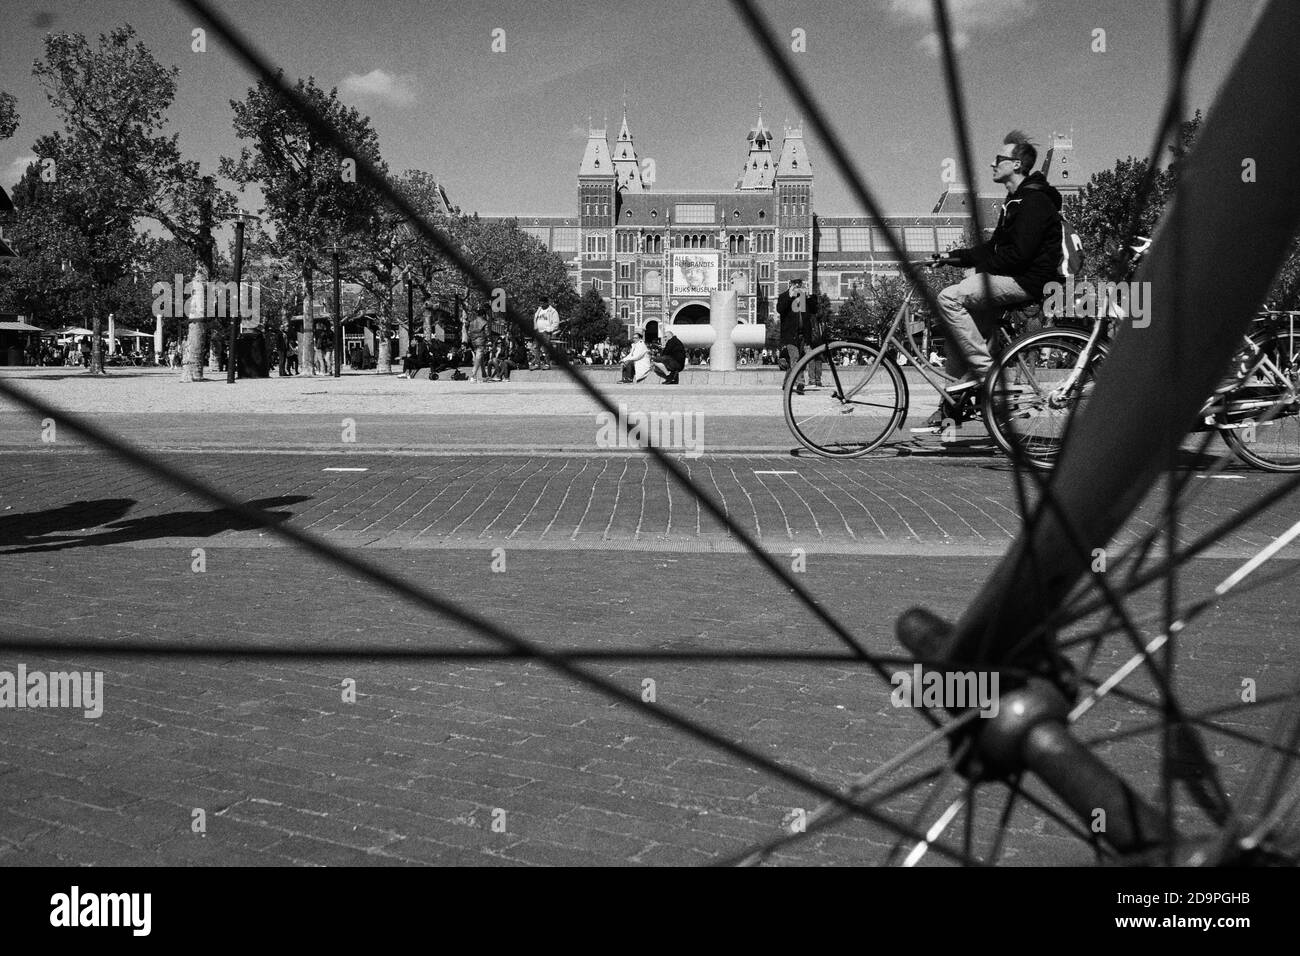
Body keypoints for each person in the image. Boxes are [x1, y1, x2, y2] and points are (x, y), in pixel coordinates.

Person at [914, 130, 1065, 434]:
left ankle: (988, 375)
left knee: (949, 298)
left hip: (1027, 280)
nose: (992, 164)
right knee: (960, 341)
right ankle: (950, 409)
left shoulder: (1034, 202)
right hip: (1011, 275)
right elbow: (994, 248)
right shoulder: (1015, 200)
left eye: (999, 159)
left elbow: (1019, 255)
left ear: (1017, 165)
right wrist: (953, 256)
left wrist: (980, 270)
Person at [777, 277, 810, 394]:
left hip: (802, 334)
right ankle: (800, 383)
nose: (797, 286)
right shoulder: (784, 297)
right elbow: (780, 309)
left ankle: (787, 383)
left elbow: (811, 315)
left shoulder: (802, 297)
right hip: (790, 334)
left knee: (797, 360)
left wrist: (809, 297)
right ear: (790, 284)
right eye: (795, 284)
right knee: (795, 358)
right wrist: (789, 296)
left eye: (799, 284)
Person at [530, 295, 559, 369]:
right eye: (540, 303)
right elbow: (535, 318)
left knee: (546, 348)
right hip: (538, 331)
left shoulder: (552, 311)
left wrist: (549, 329)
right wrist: (535, 327)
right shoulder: (539, 310)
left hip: (546, 332)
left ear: (547, 303)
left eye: (543, 303)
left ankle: (547, 364)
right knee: (536, 348)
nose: (541, 304)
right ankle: (537, 364)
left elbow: (556, 323)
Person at [468, 304, 490, 383]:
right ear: (483, 315)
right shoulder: (484, 322)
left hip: (473, 341)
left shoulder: (472, 322)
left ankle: (484, 375)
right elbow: (487, 333)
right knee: (478, 357)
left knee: (481, 358)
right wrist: (489, 341)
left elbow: (469, 332)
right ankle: (473, 375)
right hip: (481, 340)